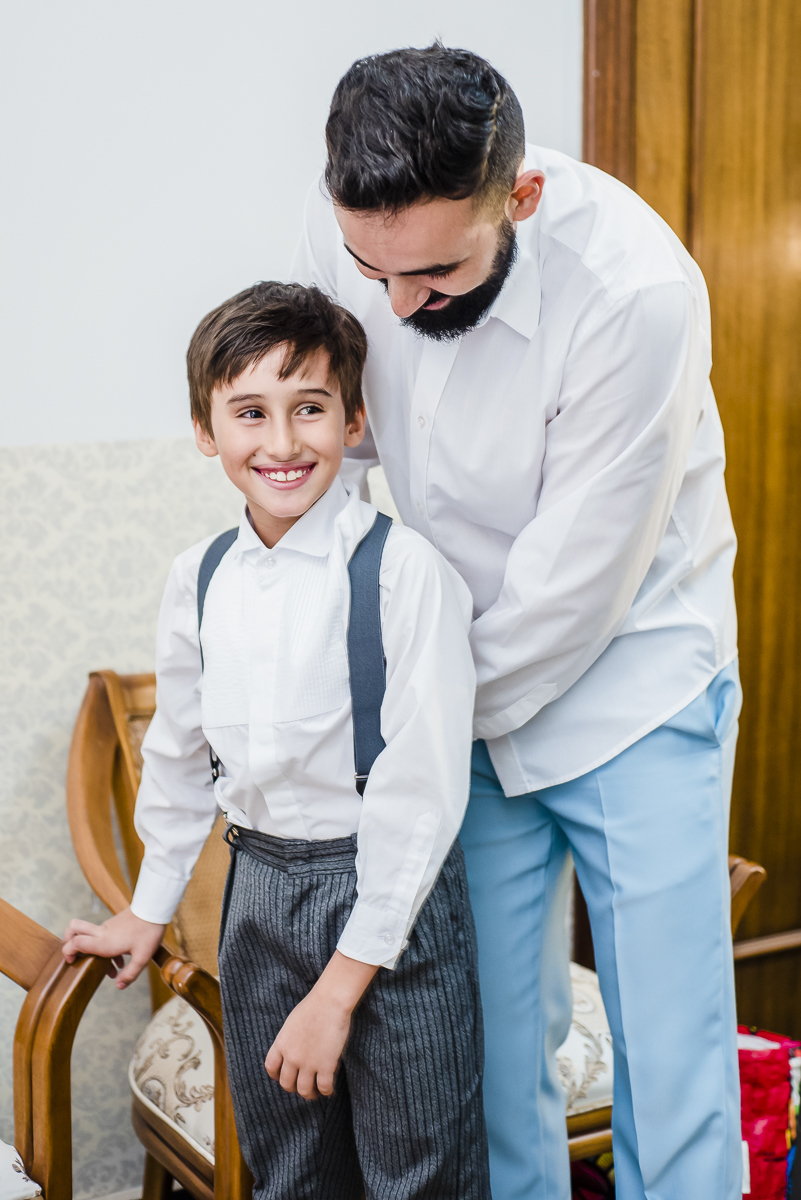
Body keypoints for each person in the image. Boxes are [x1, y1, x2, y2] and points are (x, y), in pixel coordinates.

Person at [292, 43, 742, 1200]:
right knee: (487, 1052)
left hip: (633, 677)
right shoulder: (362, 233)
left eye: (433, 277)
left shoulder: (635, 291)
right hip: (460, 685)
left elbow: (570, 595)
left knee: (672, 1056)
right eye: (370, 271)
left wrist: (420, 724)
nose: (394, 305)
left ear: (521, 198)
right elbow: (341, 446)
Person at [62, 281, 490, 1200]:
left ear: (355, 418)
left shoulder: (402, 571)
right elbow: (178, 757)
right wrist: (148, 905)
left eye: (310, 409)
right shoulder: (199, 577)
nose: (283, 442)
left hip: (387, 902)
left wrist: (337, 993)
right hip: (258, 896)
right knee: (290, 1172)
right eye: (249, 412)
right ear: (205, 430)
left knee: (418, 1177)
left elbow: (419, 804)